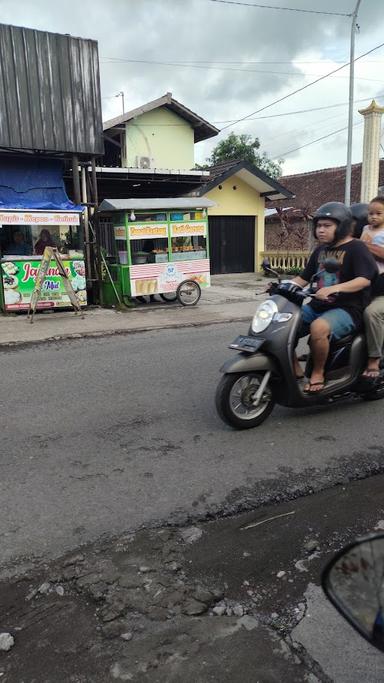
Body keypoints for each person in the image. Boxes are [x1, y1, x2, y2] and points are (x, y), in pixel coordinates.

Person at [291, 202, 377, 392]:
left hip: (348, 308)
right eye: (319, 226)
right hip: (318, 305)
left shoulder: (356, 248)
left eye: (327, 226)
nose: (321, 230)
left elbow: (364, 280)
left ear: (343, 226)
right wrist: (283, 286)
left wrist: (334, 288)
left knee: (318, 327)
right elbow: (303, 278)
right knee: (286, 322)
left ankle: (318, 372)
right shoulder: (320, 250)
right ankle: (294, 368)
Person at [359, 196, 384, 379]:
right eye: (370, 213)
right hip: (364, 281)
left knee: (371, 313)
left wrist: (365, 246)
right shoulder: (365, 229)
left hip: (381, 286)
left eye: (378, 213)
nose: (373, 217)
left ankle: (374, 358)